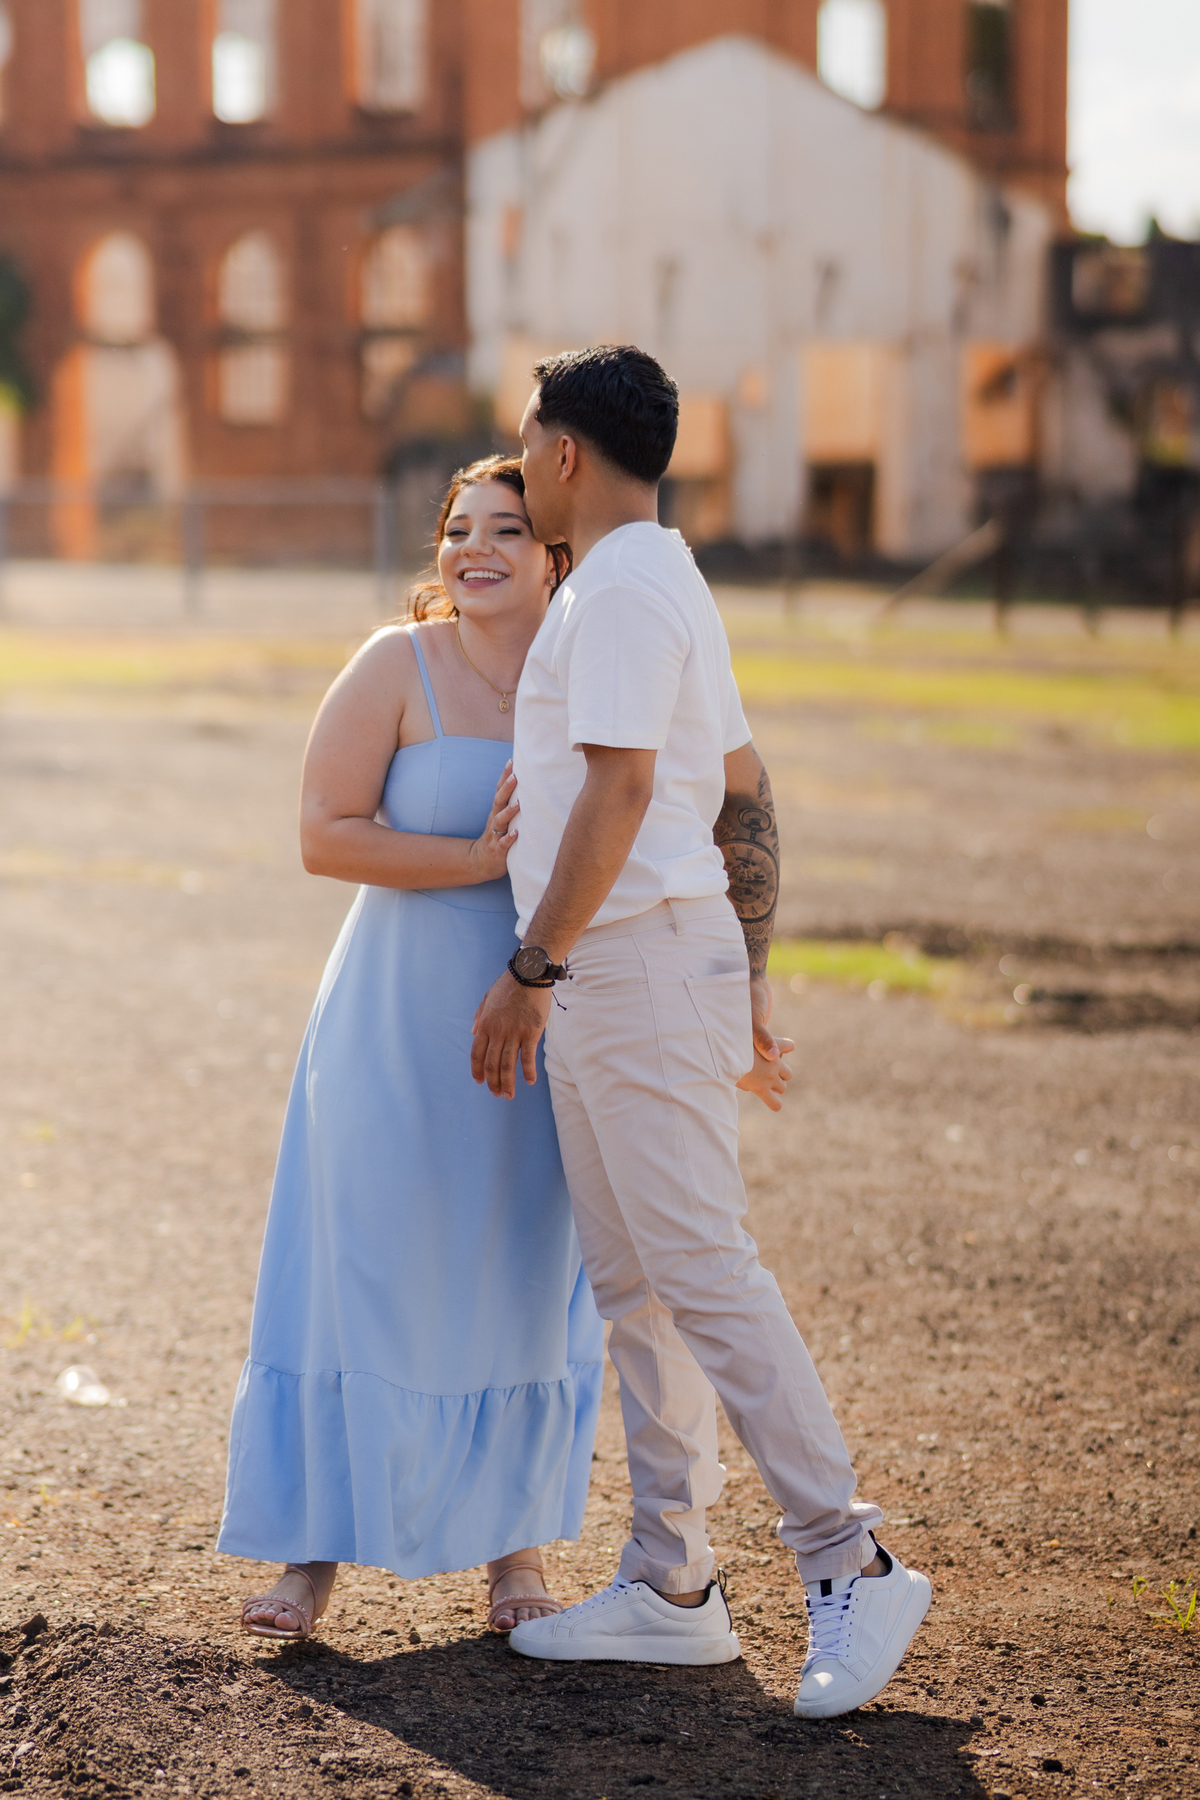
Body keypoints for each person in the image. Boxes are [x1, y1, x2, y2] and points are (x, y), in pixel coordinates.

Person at [470, 348, 930, 1717]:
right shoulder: (651, 573)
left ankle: (850, 1558)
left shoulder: (621, 587)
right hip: (635, 970)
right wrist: (750, 973)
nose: (524, 465)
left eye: (527, 445)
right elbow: (744, 789)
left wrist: (533, 965)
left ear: (563, 454)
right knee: (639, 1289)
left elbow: (623, 795)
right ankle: (672, 1583)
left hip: (620, 965)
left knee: (704, 1271)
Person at [218, 455, 604, 1641]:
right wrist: (475, 861)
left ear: (557, 554)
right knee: (364, 1258)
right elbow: (323, 834)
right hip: (392, 1012)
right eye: (458, 528)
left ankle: (515, 1547)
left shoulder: (592, 676)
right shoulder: (397, 664)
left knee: (516, 1262)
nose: (474, 549)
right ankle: (311, 1552)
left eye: (506, 529)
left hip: (542, 1013)